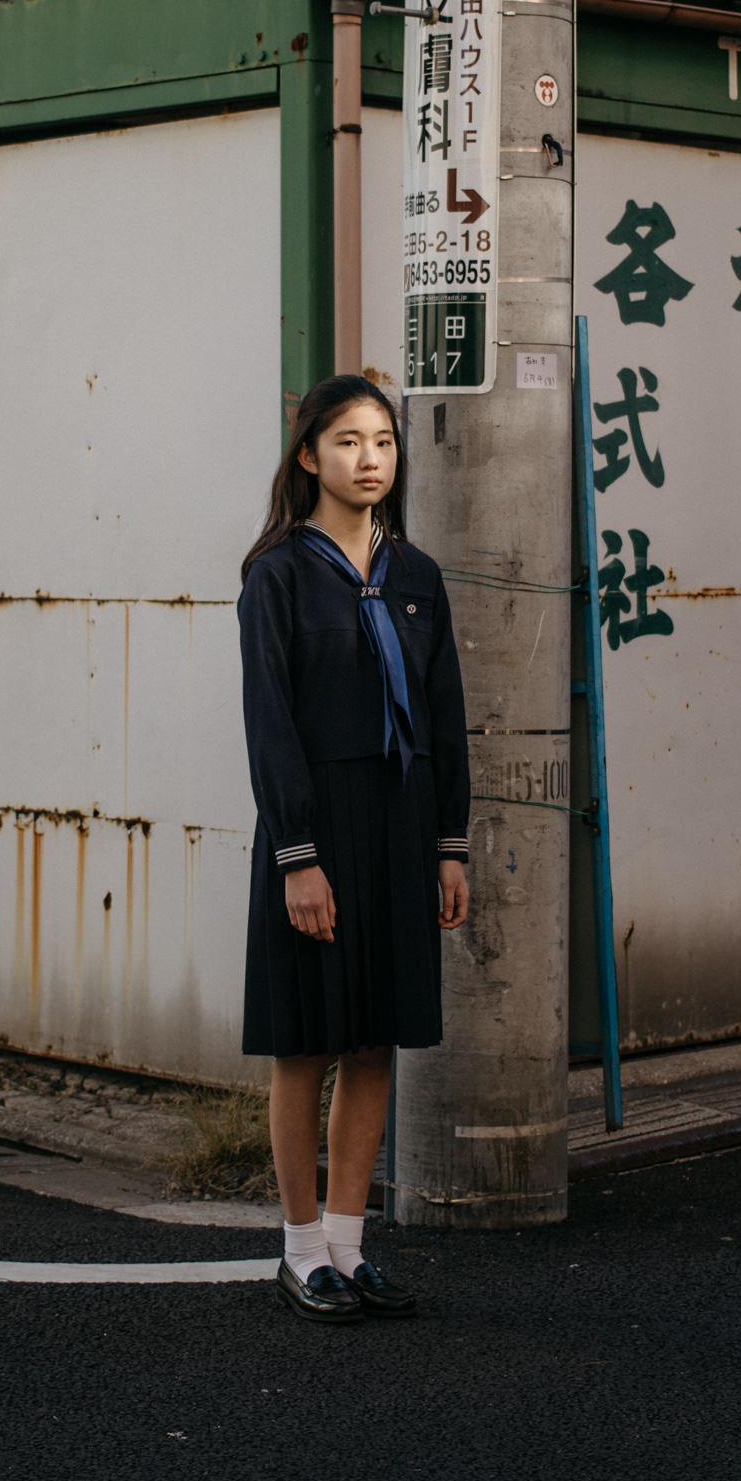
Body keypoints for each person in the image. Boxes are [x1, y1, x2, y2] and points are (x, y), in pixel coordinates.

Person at [237, 374, 472, 1323]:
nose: (369, 459)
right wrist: (298, 855)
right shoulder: (279, 576)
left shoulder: (416, 575)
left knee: (375, 1042)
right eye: (347, 442)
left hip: (402, 824)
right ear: (308, 457)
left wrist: (449, 846)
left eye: (382, 442)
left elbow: (448, 715)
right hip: (317, 826)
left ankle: (347, 1247)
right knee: (307, 1045)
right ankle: (298, 1253)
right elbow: (270, 726)